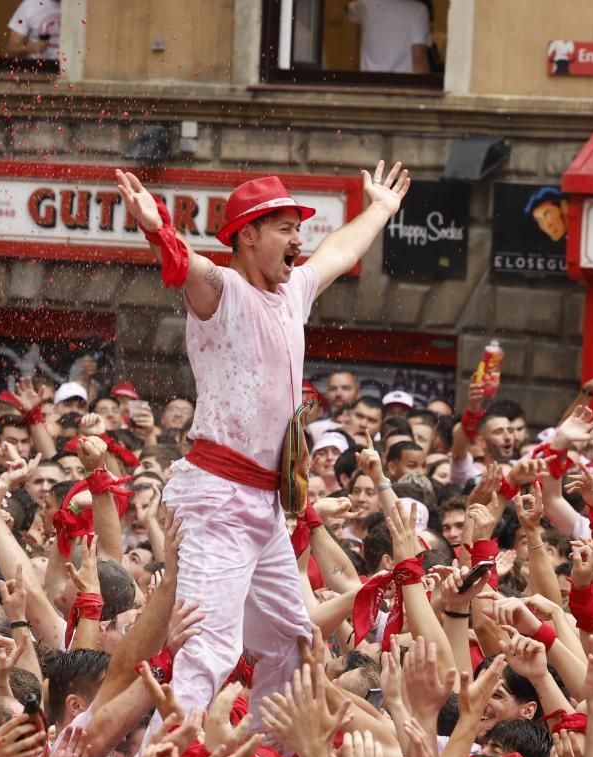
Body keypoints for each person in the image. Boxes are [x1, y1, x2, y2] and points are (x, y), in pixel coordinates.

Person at [113, 159, 410, 714]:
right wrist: (157, 228)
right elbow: (189, 265)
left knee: (293, 649)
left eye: (299, 229)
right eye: (286, 228)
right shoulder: (223, 291)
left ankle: (270, 755)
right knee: (208, 652)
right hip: (217, 499)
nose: (299, 240)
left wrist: (381, 210)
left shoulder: (293, 292)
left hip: (264, 505)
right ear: (247, 235)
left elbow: (339, 251)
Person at [347, 0, 432, 74]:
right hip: (403, 84)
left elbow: (349, 9)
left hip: (369, 83)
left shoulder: (364, 4)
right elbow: (419, 59)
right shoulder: (418, 10)